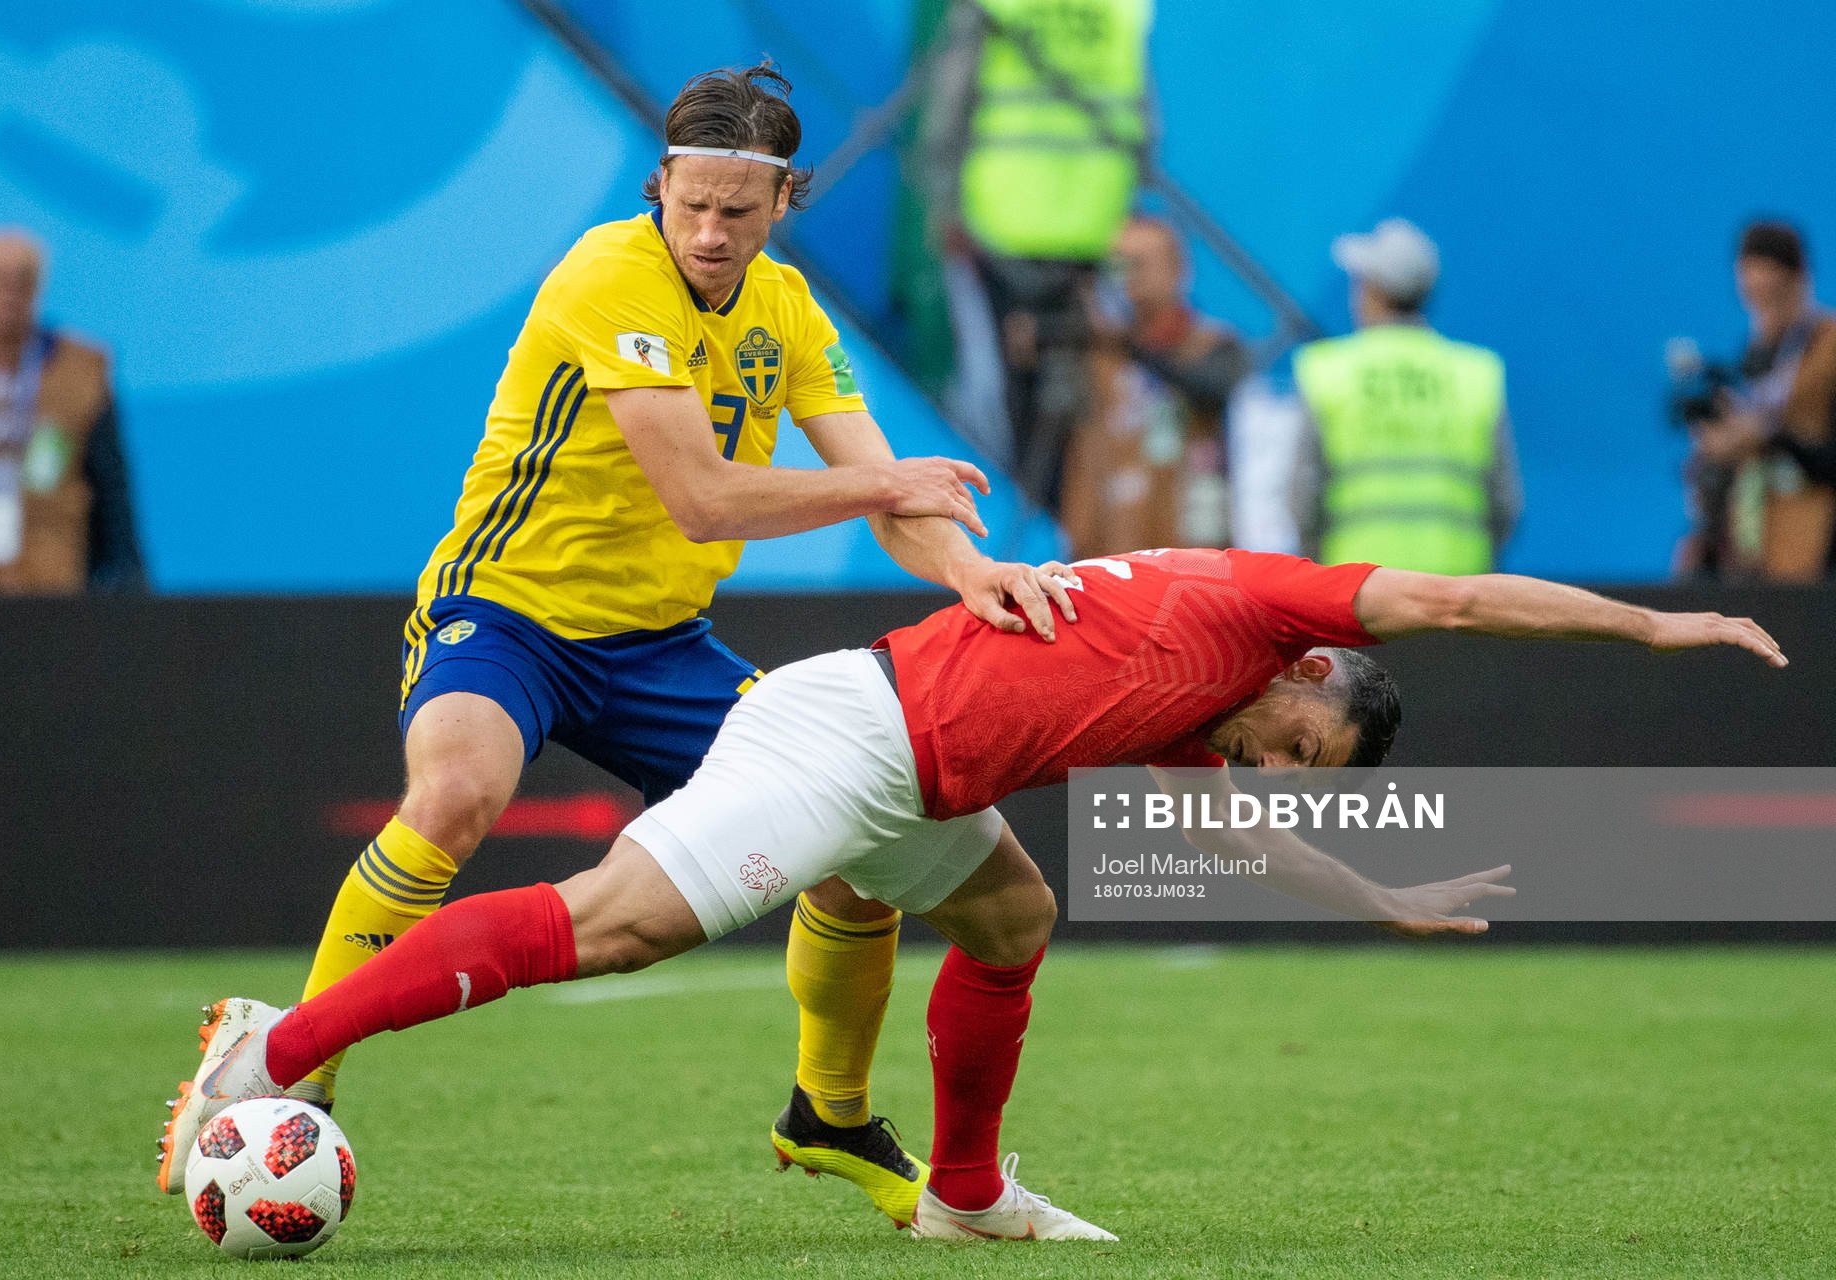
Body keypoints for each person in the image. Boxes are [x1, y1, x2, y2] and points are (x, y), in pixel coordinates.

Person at [159, 547, 1783, 1241]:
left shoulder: (1203, 718)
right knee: (612, 925)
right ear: (1309, 676)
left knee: (1013, 919)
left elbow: (1234, 840)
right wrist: (1660, 629)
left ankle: (963, 1192)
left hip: (918, 777)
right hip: (847, 738)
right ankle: (276, 1055)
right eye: (1306, 748)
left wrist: (1386, 898)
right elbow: (1454, 597)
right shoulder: (1258, 607)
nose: (1289, 774)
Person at [156, 63, 1081, 1217]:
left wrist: (973, 567)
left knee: (859, 818)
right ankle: (289, 1071)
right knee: (455, 793)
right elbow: (703, 496)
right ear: (660, 184)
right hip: (506, 612)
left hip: (661, 644)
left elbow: (891, 494)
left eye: (735, 212)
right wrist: (887, 482)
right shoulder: (610, 270)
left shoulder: (787, 311)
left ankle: (828, 1116)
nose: (706, 230)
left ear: (782, 201)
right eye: (687, 202)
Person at [924, 0, 1156, 515]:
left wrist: (943, 199)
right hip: (1095, 221)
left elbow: (953, 95)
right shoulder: (1121, 9)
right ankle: (1061, 531)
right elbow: (1142, 116)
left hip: (1002, 217)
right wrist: (1132, 202)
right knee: (1086, 391)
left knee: (1001, 392)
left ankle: (1017, 527)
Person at [0, 228, 142, 593]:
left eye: (22, 280)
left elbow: (111, 486)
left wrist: (128, 575)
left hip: (45, 572)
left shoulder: (77, 373)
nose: (8, 293)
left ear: (39, 288)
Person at [1291, 218, 1522, 575]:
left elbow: (1304, 495)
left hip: (1357, 593)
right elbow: (1506, 503)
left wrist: (1315, 563)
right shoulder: (1476, 373)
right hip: (1459, 594)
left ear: (1373, 290)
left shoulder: (1328, 371)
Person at [1063, 214, 1249, 556]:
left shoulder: (1210, 344)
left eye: (1140, 263)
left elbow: (1210, 387)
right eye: (1118, 266)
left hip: (1193, 550)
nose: (1129, 276)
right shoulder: (1097, 358)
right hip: (1111, 550)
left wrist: (1132, 346)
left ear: (1178, 270)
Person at [1681, 220, 1836, 581]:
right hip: (1754, 541)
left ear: (1798, 280)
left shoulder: (1827, 348)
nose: (1765, 310)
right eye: (1753, 298)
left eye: (1774, 293)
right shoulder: (1757, 352)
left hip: (1820, 538)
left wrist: (1769, 438)